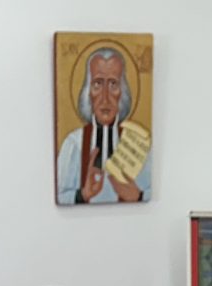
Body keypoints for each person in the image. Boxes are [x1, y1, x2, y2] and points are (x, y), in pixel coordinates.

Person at [56, 45, 149, 205]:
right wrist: (82, 194)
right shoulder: (74, 144)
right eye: (98, 84)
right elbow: (59, 196)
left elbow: (153, 193)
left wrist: (138, 196)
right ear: (88, 92)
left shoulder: (137, 144)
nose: (105, 98)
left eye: (113, 84)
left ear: (123, 92)